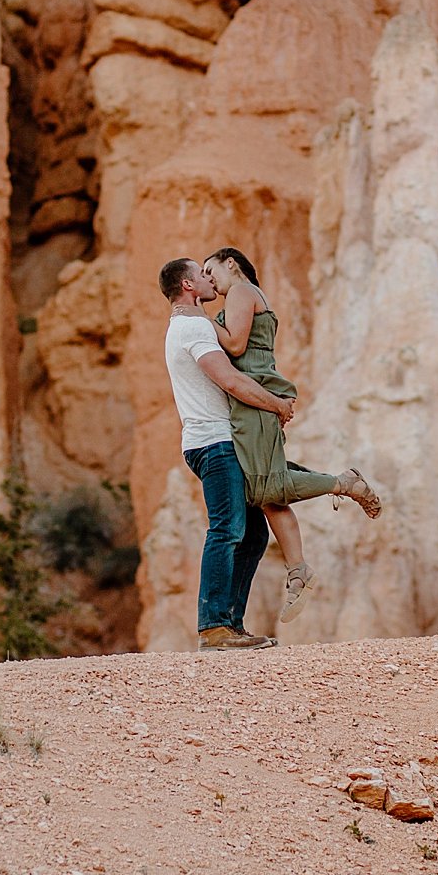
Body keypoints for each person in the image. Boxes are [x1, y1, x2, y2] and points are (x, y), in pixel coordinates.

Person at [202, 246, 381, 625]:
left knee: (268, 486)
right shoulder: (251, 295)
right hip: (254, 400)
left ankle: (343, 483)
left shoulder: (240, 292)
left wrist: (197, 319)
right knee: (265, 489)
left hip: (256, 400)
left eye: (210, 269)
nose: (209, 278)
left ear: (230, 263)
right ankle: (298, 570)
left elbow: (234, 344)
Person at [160, 256, 295, 651]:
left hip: (216, 441)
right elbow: (230, 380)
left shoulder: (187, 327)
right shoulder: (194, 327)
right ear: (188, 285)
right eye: (201, 275)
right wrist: (276, 404)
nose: (208, 280)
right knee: (228, 528)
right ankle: (214, 626)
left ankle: (231, 625)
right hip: (214, 443)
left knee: (252, 533)